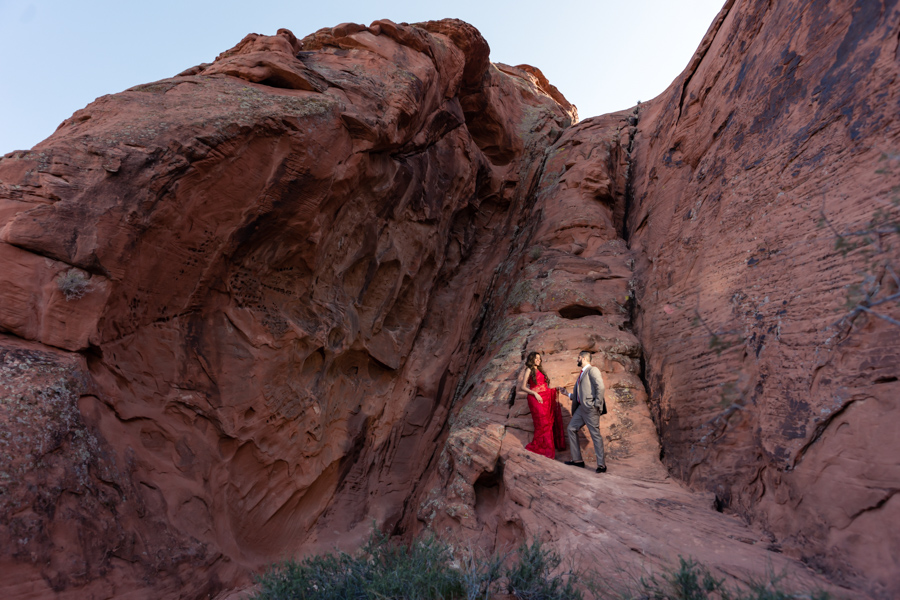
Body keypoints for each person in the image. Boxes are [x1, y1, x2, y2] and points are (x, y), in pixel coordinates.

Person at [559, 351, 607, 473]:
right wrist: (567, 394)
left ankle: (601, 465)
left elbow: (600, 387)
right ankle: (577, 461)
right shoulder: (582, 374)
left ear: (584, 358)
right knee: (571, 428)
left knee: (595, 435)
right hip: (581, 409)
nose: (577, 360)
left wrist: (596, 404)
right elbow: (581, 394)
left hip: (590, 408)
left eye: (578, 358)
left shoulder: (592, 370)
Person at [518, 351, 565, 459]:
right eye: (536, 358)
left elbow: (544, 386)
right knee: (542, 423)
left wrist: (555, 389)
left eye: (539, 358)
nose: (539, 360)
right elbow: (523, 387)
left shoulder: (540, 370)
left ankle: (547, 450)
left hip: (545, 398)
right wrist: (534, 393)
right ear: (532, 359)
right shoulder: (529, 370)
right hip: (535, 399)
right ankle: (540, 448)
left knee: (548, 423)